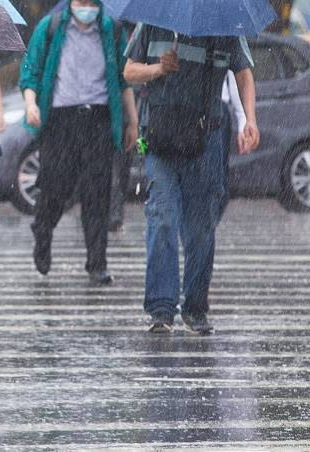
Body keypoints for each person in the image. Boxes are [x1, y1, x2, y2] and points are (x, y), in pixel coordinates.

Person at [124, 24, 260, 334]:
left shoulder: (222, 27)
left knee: (201, 226)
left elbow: (243, 74)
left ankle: (195, 307)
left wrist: (249, 120)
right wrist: (159, 68)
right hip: (160, 136)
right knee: (162, 216)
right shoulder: (152, 24)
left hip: (206, 137)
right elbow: (129, 71)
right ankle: (161, 307)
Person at [20, 0, 138, 284]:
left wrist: (132, 121)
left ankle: (97, 263)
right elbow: (31, 71)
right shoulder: (51, 27)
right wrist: (31, 104)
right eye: (81, 2)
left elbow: (124, 78)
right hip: (61, 120)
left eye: (91, 2)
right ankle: (43, 228)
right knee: (55, 186)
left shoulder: (111, 29)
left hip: (98, 118)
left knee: (98, 192)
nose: (86, 7)